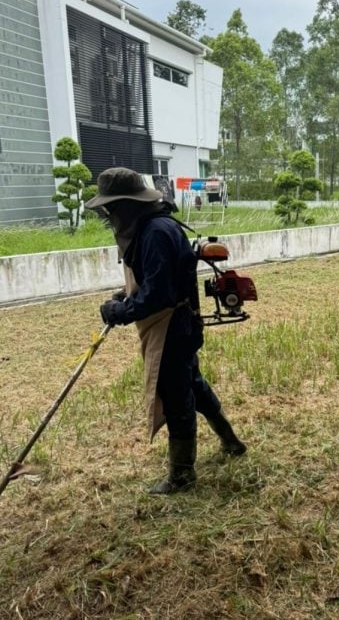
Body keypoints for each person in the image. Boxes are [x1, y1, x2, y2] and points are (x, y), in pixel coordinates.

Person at [85, 168, 246, 495]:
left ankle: (183, 475)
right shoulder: (154, 226)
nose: (109, 215)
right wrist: (125, 296)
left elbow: (159, 294)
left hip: (173, 326)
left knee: (177, 398)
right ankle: (231, 441)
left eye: (111, 208)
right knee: (192, 385)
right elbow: (158, 280)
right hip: (181, 324)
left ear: (128, 205)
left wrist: (122, 311)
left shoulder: (155, 232)